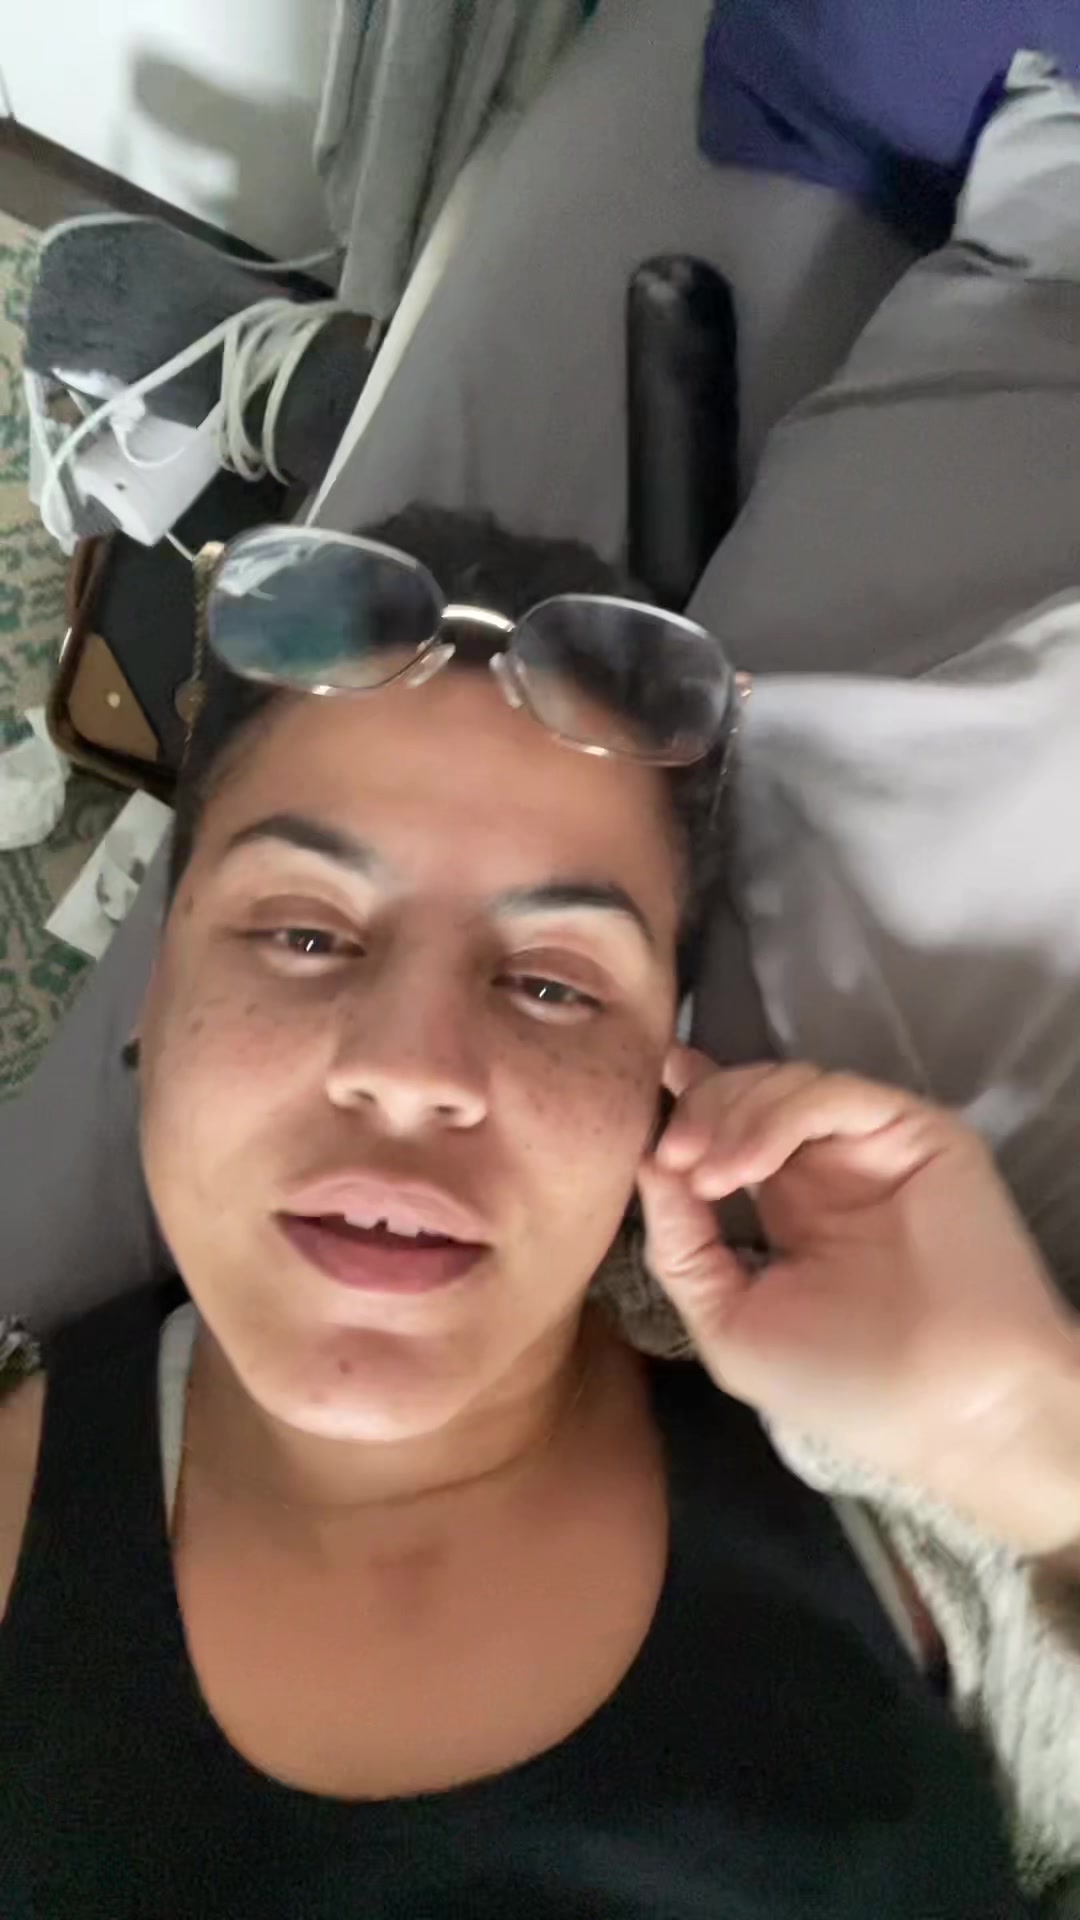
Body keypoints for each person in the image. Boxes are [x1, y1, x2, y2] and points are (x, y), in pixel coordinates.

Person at [1, 508, 1077, 1919]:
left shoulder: (915, 1518)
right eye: (305, 933)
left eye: (554, 983)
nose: (413, 1072)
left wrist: (1035, 1449)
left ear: (664, 1070)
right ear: (154, 990)